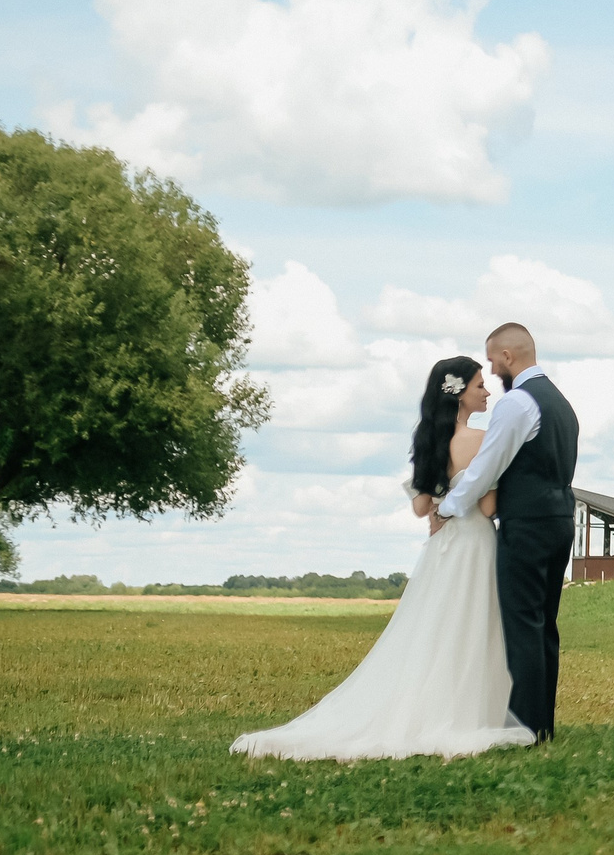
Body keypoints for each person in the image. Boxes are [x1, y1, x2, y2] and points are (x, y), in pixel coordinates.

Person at [231, 356, 534, 761]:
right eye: (479, 385)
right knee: (472, 625)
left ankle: (426, 707)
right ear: (459, 393)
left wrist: (445, 501)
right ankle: (465, 712)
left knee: (434, 628)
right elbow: (485, 508)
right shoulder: (480, 440)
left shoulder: (428, 441)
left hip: (441, 552)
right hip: (476, 544)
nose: (486, 391)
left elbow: (421, 508)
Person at [434, 323, 580, 741]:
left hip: (528, 525)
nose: (492, 371)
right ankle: (542, 725)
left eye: (493, 360)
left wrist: (448, 506)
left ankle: (523, 727)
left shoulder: (518, 403)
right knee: (544, 625)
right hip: (560, 521)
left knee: (522, 626)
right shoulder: (561, 403)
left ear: (509, 356)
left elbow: (487, 467)